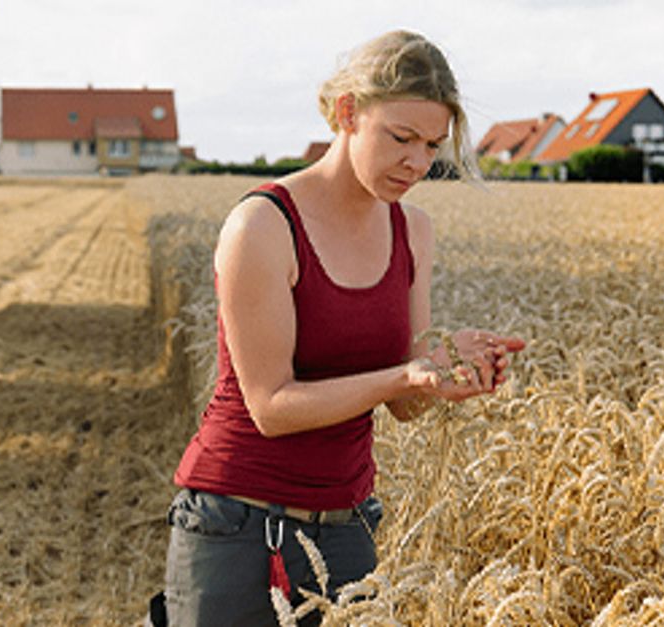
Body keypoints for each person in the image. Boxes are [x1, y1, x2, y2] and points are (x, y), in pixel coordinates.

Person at [157, 29, 525, 626]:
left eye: (433, 145)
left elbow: (403, 402)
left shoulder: (415, 231)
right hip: (238, 529)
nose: (418, 162)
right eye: (401, 137)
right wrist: (404, 374)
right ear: (348, 112)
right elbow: (271, 407)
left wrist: (443, 372)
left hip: (350, 530)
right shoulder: (263, 226)